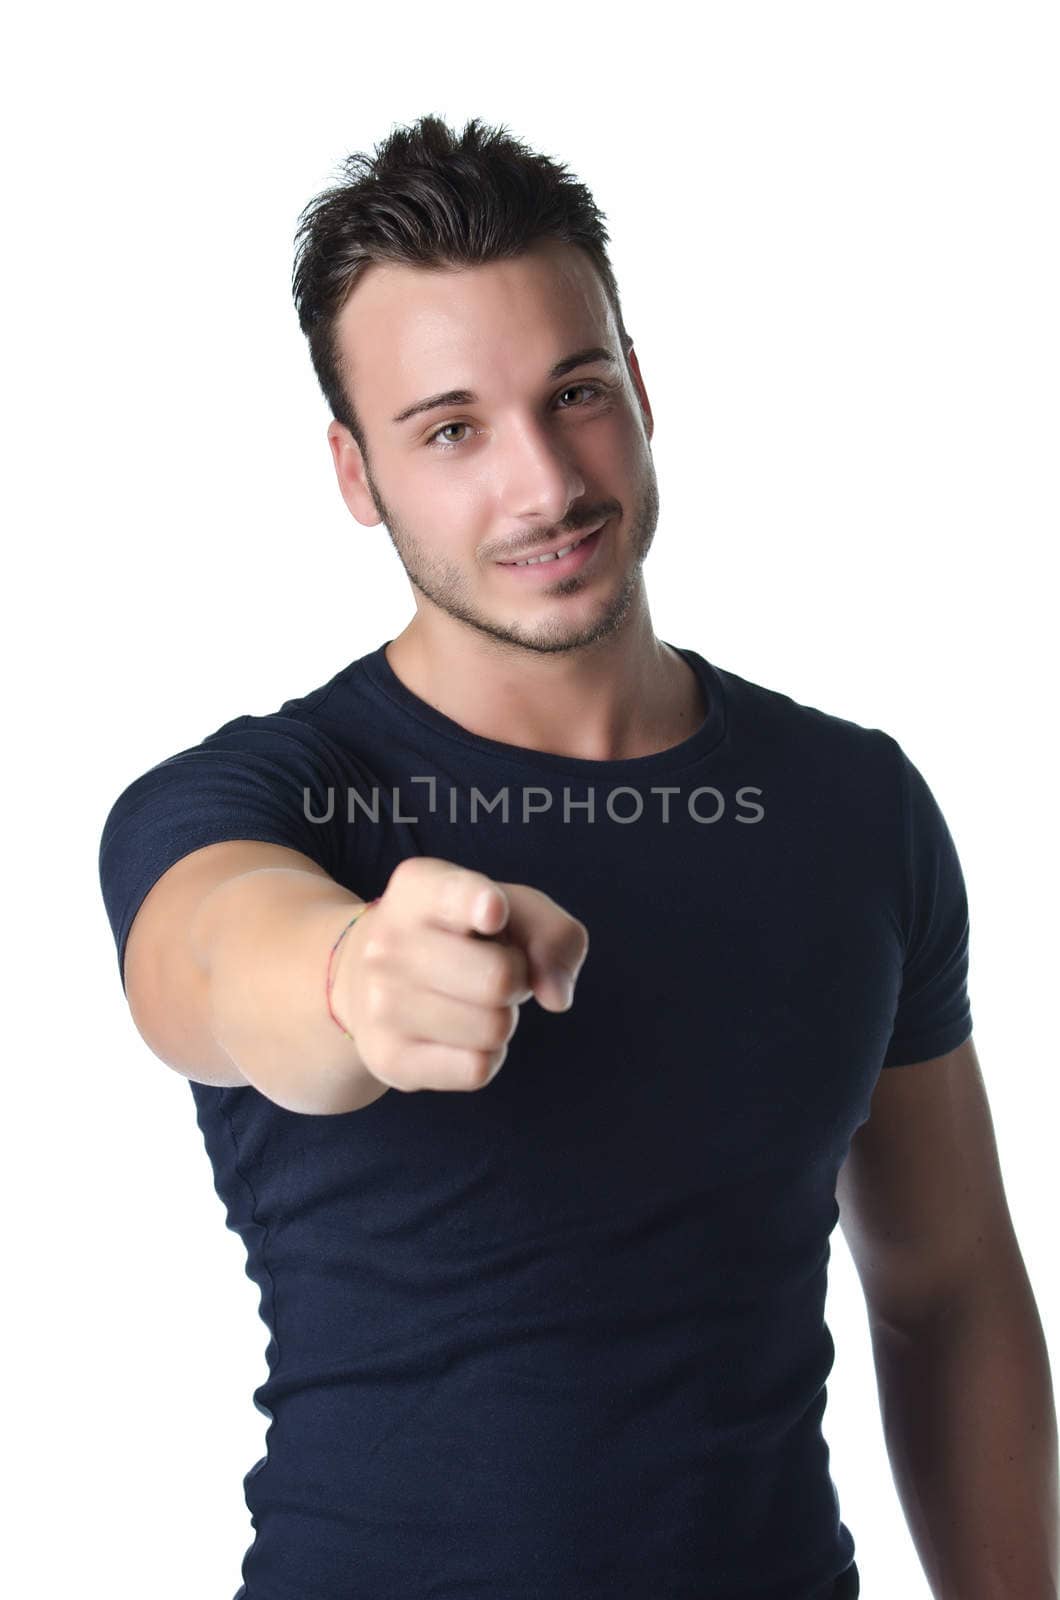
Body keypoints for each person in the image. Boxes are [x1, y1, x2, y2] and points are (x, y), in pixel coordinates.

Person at [98, 113, 1058, 1599]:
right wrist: (354, 977)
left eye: (577, 392)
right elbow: (208, 961)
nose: (545, 485)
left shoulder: (856, 804)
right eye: (452, 430)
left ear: (642, 387)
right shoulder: (264, 798)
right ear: (357, 474)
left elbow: (947, 1291)